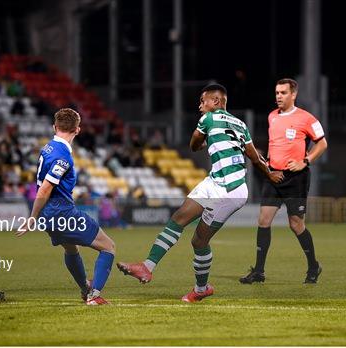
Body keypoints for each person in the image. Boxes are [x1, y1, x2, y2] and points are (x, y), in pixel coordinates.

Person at [116, 84, 283, 302]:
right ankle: (146, 267)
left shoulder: (209, 118)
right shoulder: (241, 124)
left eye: (203, 101)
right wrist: (270, 174)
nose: (200, 106)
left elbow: (194, 145)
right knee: (178, 218)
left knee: (199, 241)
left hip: (229, 190)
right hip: (215, 182)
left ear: (215, 102)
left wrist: (202, 142)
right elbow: (254, 157)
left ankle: (201, 288)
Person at [16, 108, 116, 306]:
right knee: (109, 247)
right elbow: (45, 189)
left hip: (49, 215)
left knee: (71, 249)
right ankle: (95, 295)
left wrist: (39, 216)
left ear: (55, 127)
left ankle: (85, 289)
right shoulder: (62, 156)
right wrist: (32, 217)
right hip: (61, 212)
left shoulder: (47, 148)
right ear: (77, 130)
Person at [240, 78, 327, 285]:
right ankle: (259, 271)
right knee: (263, 220)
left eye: (283, 93)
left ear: (293, 94)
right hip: (274, 176)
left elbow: (322, 144)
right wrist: (269, 165)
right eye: (277, 92)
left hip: (295, 178)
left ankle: (313, 266)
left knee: (295, 224)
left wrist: (304, 161)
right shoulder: (272, 117)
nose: (278, 96)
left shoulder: (306, 118)